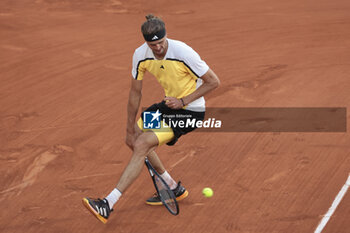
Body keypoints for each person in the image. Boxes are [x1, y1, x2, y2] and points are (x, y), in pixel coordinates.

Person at [82, 14, 220, 224]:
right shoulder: (140, 55)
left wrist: (183, 101)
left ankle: (107, 204)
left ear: (167, 37)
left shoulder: (183, 52)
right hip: (167, 106)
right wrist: (129, 129)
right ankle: (173, 186)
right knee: (136, 138)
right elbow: (135, 92)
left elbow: (213, 81)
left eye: (161, 43)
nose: (157, 48)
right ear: (146, 42)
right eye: (152, 44)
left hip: (189, 112)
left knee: (143, 144)